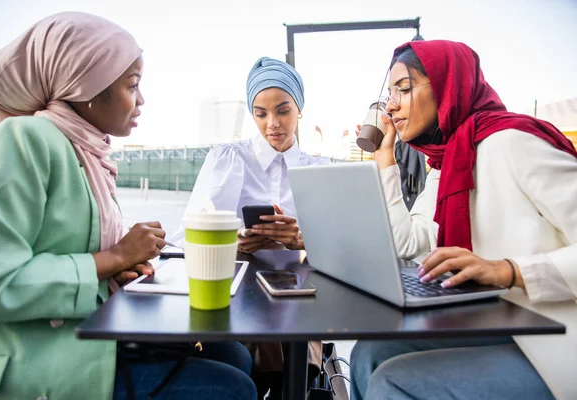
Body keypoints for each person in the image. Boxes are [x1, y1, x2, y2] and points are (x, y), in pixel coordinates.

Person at [0, 12, 255, 400]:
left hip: (87, 337)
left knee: (234, 354)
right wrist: (114, 257)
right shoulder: (24, 139)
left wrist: (114, 275)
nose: (141, 99)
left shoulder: (86, 152)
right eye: (133, 85)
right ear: (87, 85)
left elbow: (67, 253)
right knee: (232, 387)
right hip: (35, 359)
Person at [350, 40, 577, 400]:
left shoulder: (512, 141)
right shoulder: (448, 163)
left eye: (404, 89)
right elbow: (406, 242)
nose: (391, 105)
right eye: (389, 92)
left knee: (392, 380)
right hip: (502, 321)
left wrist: (509, 270)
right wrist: (385, 159)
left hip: (556, 337)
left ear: (446, 86)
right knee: (368, 354)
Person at [171, 57, 327, 399]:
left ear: (299, 108)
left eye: (283, 110)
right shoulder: (228, 158)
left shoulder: (319, 170)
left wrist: (301, 238)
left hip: (298, 289)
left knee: (293, 344)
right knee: (266, 355)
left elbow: (342, 247)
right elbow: (191, 235)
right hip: (239, 285)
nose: (272, 123)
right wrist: (235, 237)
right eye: (260, 113)